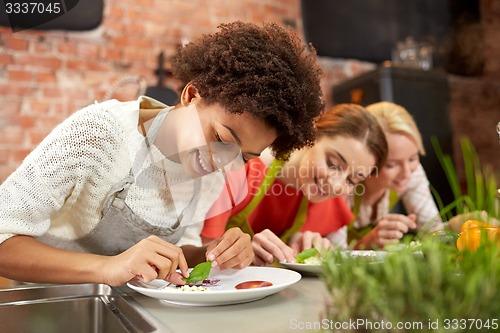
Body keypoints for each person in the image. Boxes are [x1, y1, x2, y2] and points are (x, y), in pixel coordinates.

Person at [0, 21, 325, 286]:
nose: (222, 162)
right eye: (221, 137)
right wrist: (108, 268)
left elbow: (173, 254)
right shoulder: (99, 133)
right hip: (48, 303)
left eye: (243, 156)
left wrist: (210, 253)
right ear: (192, 94)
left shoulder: (213, 171)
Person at [202, 104, 388, 265]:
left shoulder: (331, 203)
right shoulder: (242, 169)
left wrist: (313, 251)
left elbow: (339, 266)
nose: (337, 185)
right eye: (332, 164)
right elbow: (198, 253)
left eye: (352, 180)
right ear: (311, 135)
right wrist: (241, 254)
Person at [345, 101, 443, 250]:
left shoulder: (412, 172)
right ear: (366, 161)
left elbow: (432, 231)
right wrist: (368, 242)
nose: (407, 173)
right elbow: (326, 254)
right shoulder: (343, 182)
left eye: (413, 158)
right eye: (392, 165)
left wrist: (459, 227)